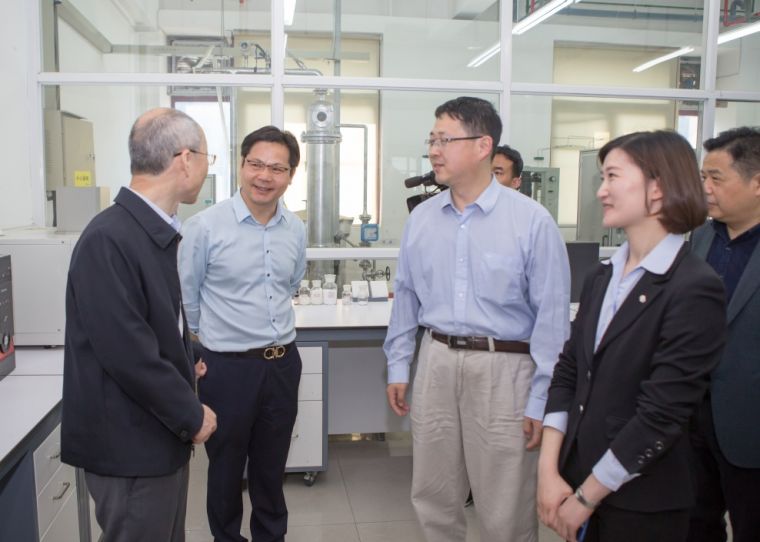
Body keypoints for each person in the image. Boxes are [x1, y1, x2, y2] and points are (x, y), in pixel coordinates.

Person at [384, 96, 571, 542]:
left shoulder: (531, 222)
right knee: (433, 493)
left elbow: (552, 321)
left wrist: (542, 399)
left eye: (444, 140)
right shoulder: (423, 219)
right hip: (437, 361)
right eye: (432, 140)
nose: (433, 151)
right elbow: (406, 296)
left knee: (505, 503)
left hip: (504, 369)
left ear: (483, 145)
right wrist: (398, 364)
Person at [538, 130, 727, 542]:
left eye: (612, 177)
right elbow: (569, 371)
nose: (601, 191)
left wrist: (586, 497)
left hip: (642, 502)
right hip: (577, 477)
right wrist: (548, 471)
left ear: (657, 188)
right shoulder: (602, 277)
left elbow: (661, 414)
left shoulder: (694, 287)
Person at [61, 108, 218, 542]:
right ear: (185, 159)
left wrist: (189, 357)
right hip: (130, 449)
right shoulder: (109, 238)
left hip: (156, 439)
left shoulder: (149, 231)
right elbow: (128, 354)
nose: (206, 169)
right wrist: (191, 414)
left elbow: (155, 320)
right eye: (207, 158)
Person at [178, 125, 306, 542]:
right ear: (241, 165)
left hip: (282, 364)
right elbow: (186, 298)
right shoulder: (204, 227)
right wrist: (205, 344)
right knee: (226, 470)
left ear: (290, 175)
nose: (264, 176)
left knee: (271, 469)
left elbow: (290, 283)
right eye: (256, 164)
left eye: (277, 168)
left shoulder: (295, 228)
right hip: (227, 368)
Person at [687, 127, 760, 542]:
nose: (705, 188)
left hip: (750, 423)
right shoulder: (701, 238)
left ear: (756, 183)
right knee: (694, 525)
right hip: (692, 417)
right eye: (703, 177)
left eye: (716, 178)